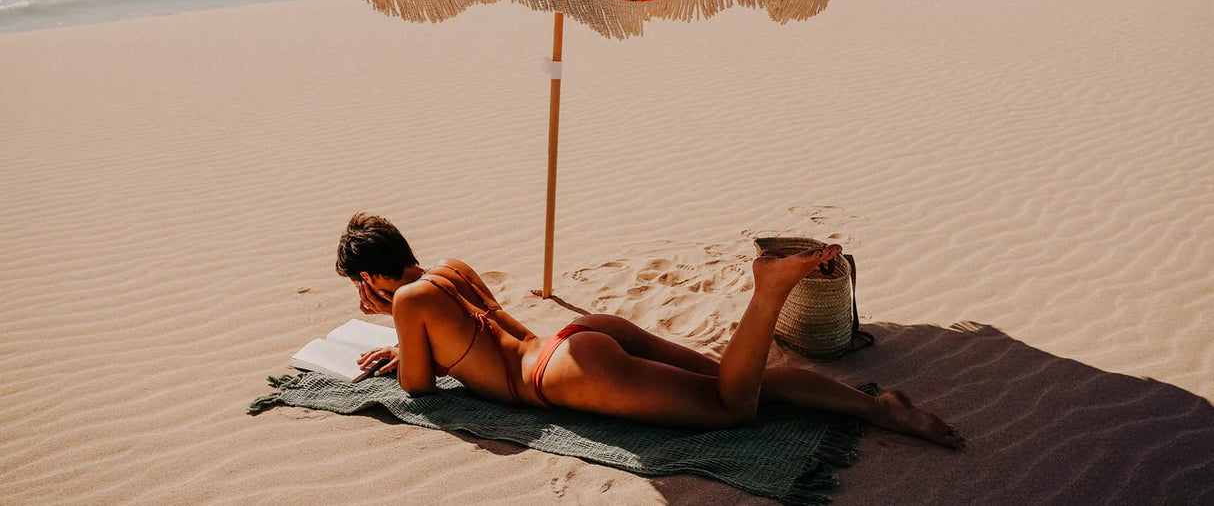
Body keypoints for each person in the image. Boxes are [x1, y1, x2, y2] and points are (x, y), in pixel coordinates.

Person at [336, 212, 962, 448]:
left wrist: (396, 331)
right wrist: (405, 339)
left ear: (368, 278)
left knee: (731, 408)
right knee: (739, 380)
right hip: (577, 337)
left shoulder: (408, 300)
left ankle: (768, 290)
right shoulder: (449, 270)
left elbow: (419, 388)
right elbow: (479, 333)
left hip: (556, 376)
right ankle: (878, 408)